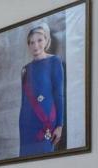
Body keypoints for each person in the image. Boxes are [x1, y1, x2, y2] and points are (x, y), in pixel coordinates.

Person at [19, 22, 65, 157]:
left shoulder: (54, 61)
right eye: (31, 42)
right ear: (28, 45)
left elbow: (59, 94)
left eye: (39, 40)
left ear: (46, 40)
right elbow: (24, 102)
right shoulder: (25, 69)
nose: (36, 45)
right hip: (27, 125)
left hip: (46, 122)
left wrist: (60, 125)